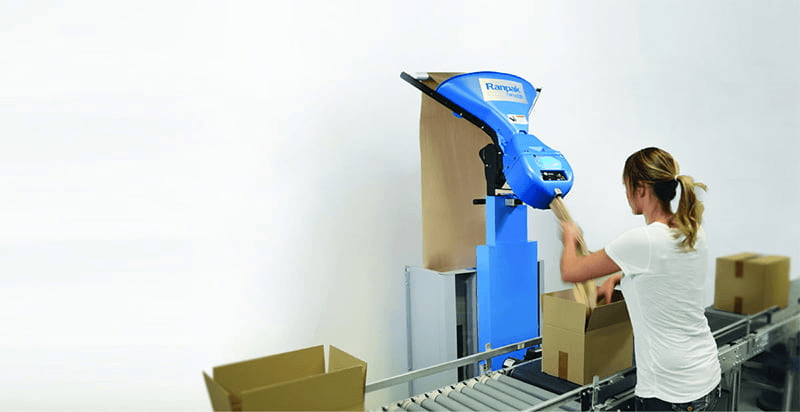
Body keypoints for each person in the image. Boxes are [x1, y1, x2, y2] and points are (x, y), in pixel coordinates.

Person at [559, 147, 721, 411]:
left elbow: (571, 271)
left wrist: (569, 236)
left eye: (627, 187)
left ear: (641, 188)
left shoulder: (641, 241)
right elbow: (664, 270)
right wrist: (617, 278)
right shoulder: (693, 230)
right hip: (705, 375)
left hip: (670, 391)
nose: (626, 195)